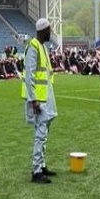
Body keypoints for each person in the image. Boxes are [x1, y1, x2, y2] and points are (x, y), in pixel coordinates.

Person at [23, 18, 58, 184]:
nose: (50, 32)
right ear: (42, 31)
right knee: (40, 134)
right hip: (39, 99)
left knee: (44, 133)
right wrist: (34, 99)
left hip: (46, 97)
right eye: (49, 30)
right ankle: (36, 171)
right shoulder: (33, 47)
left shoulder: (43, 47)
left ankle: (42, 165)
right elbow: (29, 75)